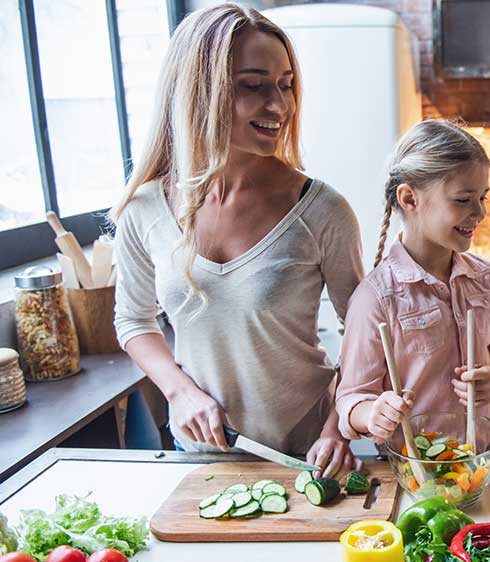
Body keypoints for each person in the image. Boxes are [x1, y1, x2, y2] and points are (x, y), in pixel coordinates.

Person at [112, 4, 364, 477]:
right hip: (202, 451)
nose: (281, 106)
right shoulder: (144, 208)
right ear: (199, 91)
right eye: (253, 86)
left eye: (286, 85)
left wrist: (338, 428)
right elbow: (133, 319)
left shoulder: (323, 210)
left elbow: (366, 335)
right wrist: (180, 392)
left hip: (309, 453)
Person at [336, 120, 490, 444]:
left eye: (482, 197)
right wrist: (373, 413)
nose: (479, 212)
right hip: (414, 472)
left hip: (479, 460)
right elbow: (350, 401)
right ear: (409, 199)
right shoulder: (376, 298)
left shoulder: (485, 279)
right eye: (463, 200)